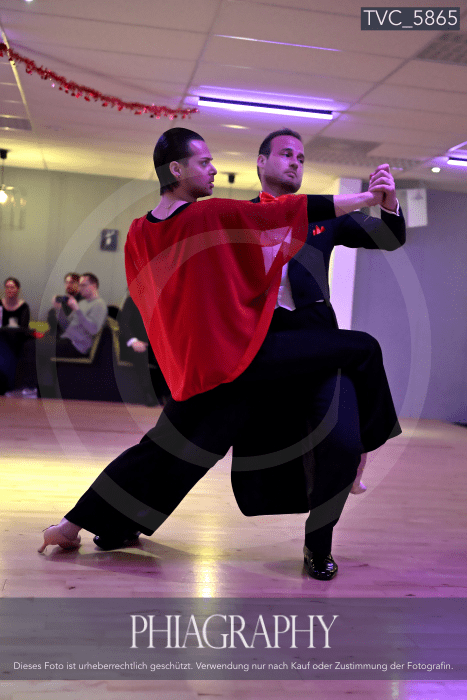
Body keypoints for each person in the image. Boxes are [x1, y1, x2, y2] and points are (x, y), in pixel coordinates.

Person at [38, 127, 398, 580]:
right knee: (362, 347)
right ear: (177, 169)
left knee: (170, 448)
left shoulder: (140, 232)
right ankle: (368, 446)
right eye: (204, 162)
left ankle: (78, 525)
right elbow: (286, 214)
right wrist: (366, 197)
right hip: (241, 354)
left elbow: (151, 299)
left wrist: (178, 352)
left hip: (220, 359)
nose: (213, 169)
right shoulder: (210, 216)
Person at [232, 129, 406, 533]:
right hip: (263, 343)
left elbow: (389, 238)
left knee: (342, 441)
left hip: (315, 339)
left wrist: (389, 204)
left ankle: (323, 535)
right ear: (261, 162)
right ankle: (126, 516)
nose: (295, 162)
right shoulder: (237, 218)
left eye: (301, 158)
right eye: (286, 154)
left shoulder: (323, 214)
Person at [19, 273, 107, 397]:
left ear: (94, 286)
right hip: (67, 341)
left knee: (32, 346)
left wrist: (77, 310)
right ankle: (32, 387)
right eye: (80, 285)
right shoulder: (83, 303)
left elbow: (93, 330)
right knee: (29, 343)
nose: (80, 288)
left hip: (77, 346)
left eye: (83, 285)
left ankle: (31, 388)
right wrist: (59, 309)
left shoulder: (99, 304)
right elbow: (66, 325)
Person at [117, 292, 170, 406]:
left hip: (153, 345)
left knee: (167, 355)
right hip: (133, 343)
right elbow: (124, 324)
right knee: (141, 354)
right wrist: (134, 341)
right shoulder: (132, 300)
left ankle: (166, 394)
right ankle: (148, 393)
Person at [0, 278, 31, 394]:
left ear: (17, 289)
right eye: (7, 287)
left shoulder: (23, 306)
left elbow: (23, 327)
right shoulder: (0, 304)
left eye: (12, 287)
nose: (9, 290)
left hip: (17, 338)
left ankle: (11, 385)